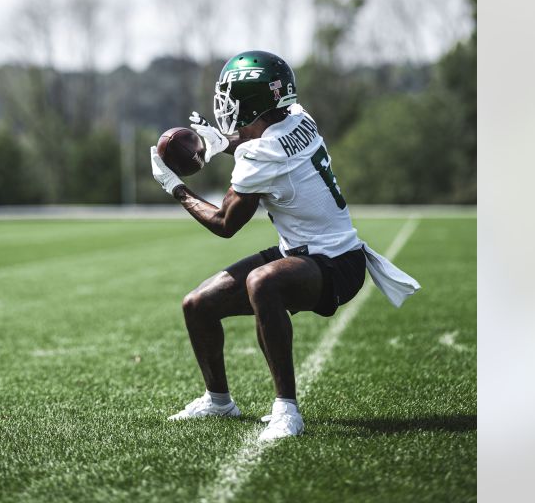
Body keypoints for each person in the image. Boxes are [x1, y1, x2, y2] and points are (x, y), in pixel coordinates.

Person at [148, 50, 420, 441]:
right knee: (198, 305)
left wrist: (175, 187)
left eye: (230, 96)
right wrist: (218, 141)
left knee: (263, 282)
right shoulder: (297, 116)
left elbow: (225, 223)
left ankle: (286, 410)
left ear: (252, 101)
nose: (223, 103)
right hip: (304, 252)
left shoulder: (262, 155)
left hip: (336, 264)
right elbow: (258, 136)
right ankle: (219, 400)